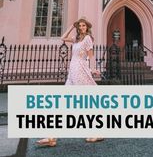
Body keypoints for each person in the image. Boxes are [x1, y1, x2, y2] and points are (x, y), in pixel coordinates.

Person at [36, 17, 104, 147]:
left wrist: (94, 68)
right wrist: (72, 27)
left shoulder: (88, 39)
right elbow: (62, 37)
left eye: (84, 25)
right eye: (80, 26)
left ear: (87, 27)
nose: (82, 27)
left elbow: (91, 56)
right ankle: (52, 137)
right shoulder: (76, 39)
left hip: (81, 70)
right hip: (72, 70)